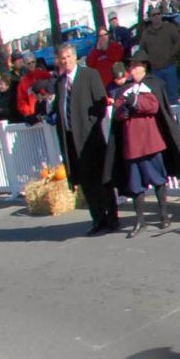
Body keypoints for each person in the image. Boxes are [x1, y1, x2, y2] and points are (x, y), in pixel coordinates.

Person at [109, 56, 180, 235]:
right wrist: (122, 111)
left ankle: (164, 215)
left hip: (151, 142)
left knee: (158, 179)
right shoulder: (123, 90)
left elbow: (154, 106)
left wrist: (135, 102)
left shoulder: (152, 85)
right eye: (131, 67)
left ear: (144, 68)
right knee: (136, 186)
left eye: (137, 66)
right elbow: (118, 111)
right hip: (132, 145)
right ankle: (140, 220)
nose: (133, 70)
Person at [49, 42, 119, 235]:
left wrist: (89, 123)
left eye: (69, 57)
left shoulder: (89, 75)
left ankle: (112, 218)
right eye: (62, 59)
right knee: (86, 183)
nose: (66, 61)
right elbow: (60, 108)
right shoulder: (60, 83)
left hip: (90, 139)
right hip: (71, 140)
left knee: (100, 180)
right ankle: (98, 219)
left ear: (74, 57)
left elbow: (100, 104)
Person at [135, 10, 180, 102]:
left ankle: (174, 115)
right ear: (150, 18)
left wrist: (172, 53)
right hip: (155, 70)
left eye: (158, 14)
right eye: (153, 15)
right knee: (159, 97)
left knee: (173, 95)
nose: (156, 16)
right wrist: (148, 61)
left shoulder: (169, 27)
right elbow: (142, 50)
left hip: (169, 66)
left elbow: (179, 41)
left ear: (161, 16)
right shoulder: (146, 33)